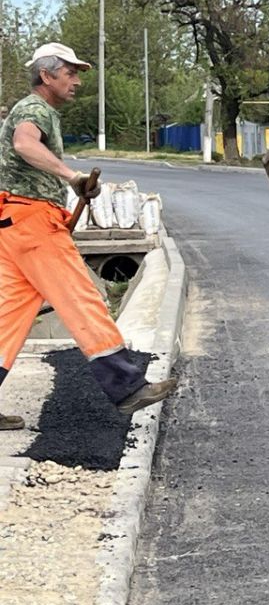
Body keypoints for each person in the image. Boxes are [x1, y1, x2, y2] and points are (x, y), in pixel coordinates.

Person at [0, 42, 177, 430]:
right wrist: (72, 177)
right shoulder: (34, 109)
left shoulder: (34, 109)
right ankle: (127, 388)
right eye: (70, 72)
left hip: (14, 223)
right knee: (83, 300)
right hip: (33, 224)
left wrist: (73, 187)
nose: (76, 80)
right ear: (46, 75)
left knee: (6, 318)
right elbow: (23, 143)